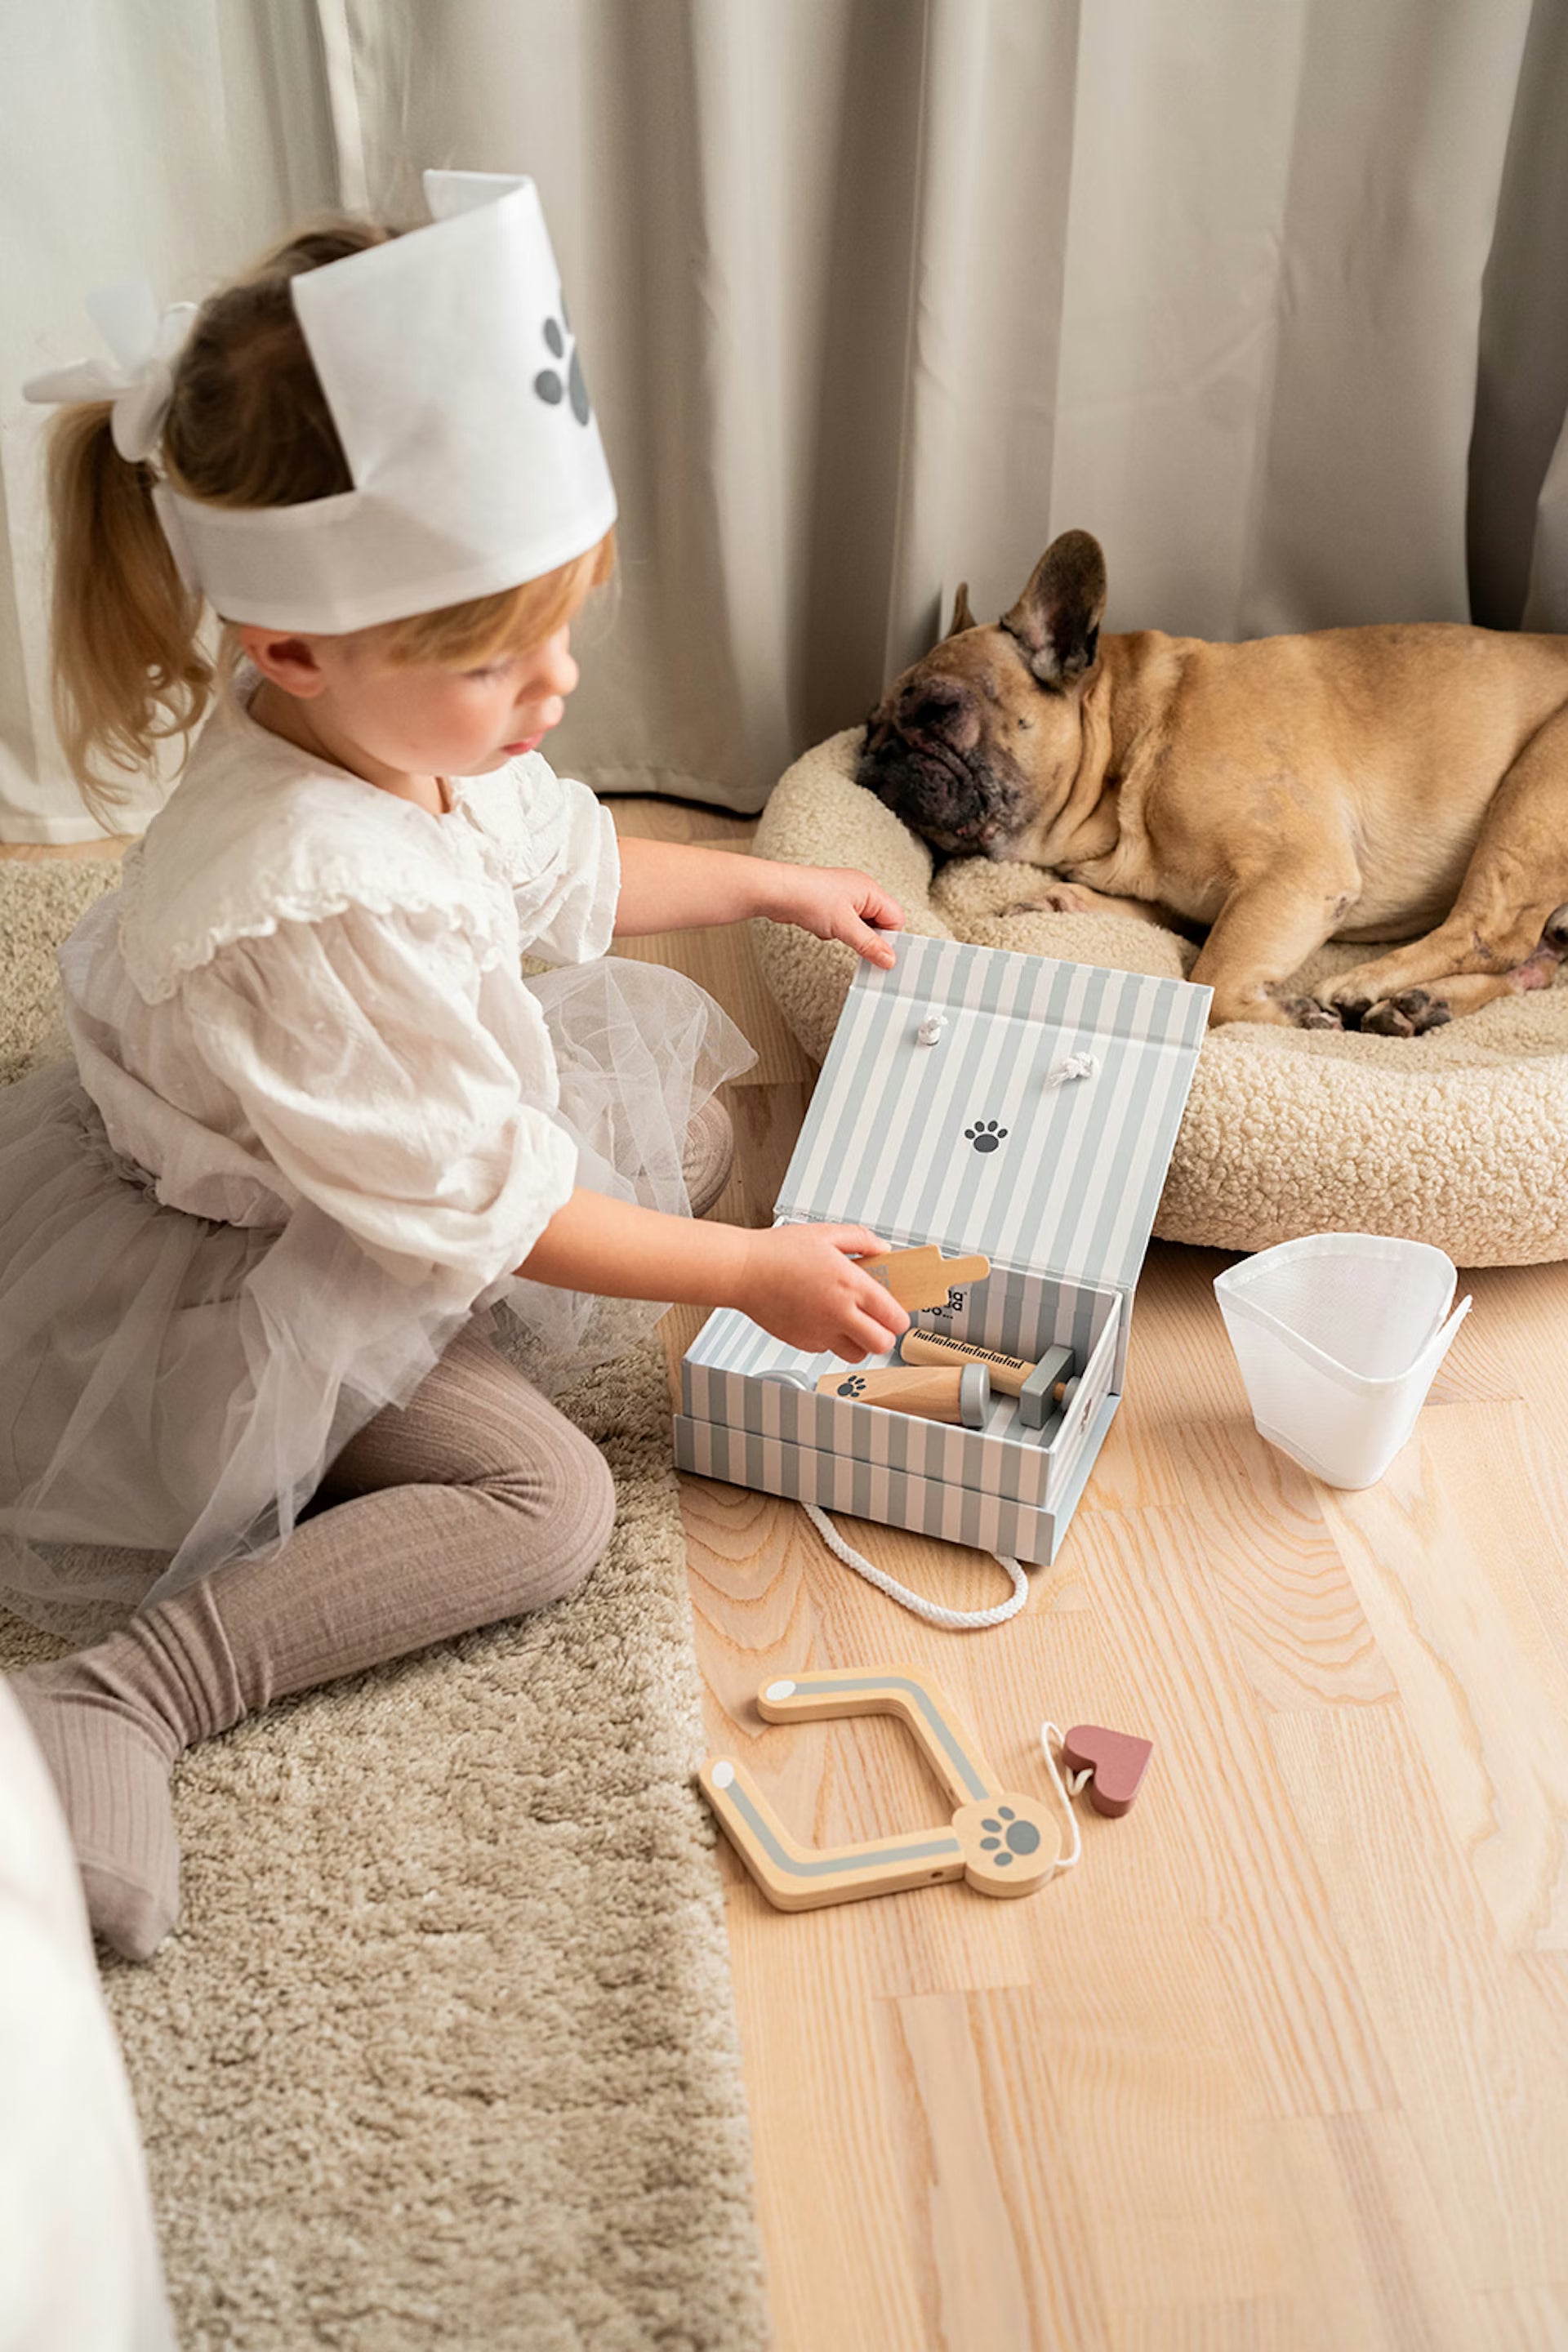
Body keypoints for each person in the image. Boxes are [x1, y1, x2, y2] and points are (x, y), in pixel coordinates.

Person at [2, 174, 908, 1962]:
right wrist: (747, 1280)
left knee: (685, 1118)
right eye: (503, 663)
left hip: (370, 1123)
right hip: (228, 1253)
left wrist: (767, 875)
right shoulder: (309, 907)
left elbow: (554, 868)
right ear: (294, 649)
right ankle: (118, 1701)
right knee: (543, 1501)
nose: (555, 691)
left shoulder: (392, 728)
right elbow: (496, 1211)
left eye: (564, 633)